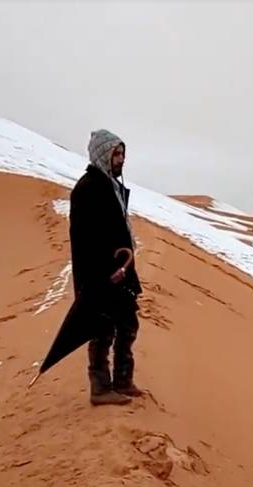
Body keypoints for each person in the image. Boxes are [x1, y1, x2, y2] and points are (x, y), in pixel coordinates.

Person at [68, 129, 143, 406]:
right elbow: (84, 238)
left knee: (128, 323)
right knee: (102, 329)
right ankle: (100, 388)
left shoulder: (110, 185)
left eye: (123, 153)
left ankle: (123, 381)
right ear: (103, 154)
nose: (121, 159)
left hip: (120, 271)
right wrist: (102, 273)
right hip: (100, 274)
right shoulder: (88, 188)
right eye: (116, 154)